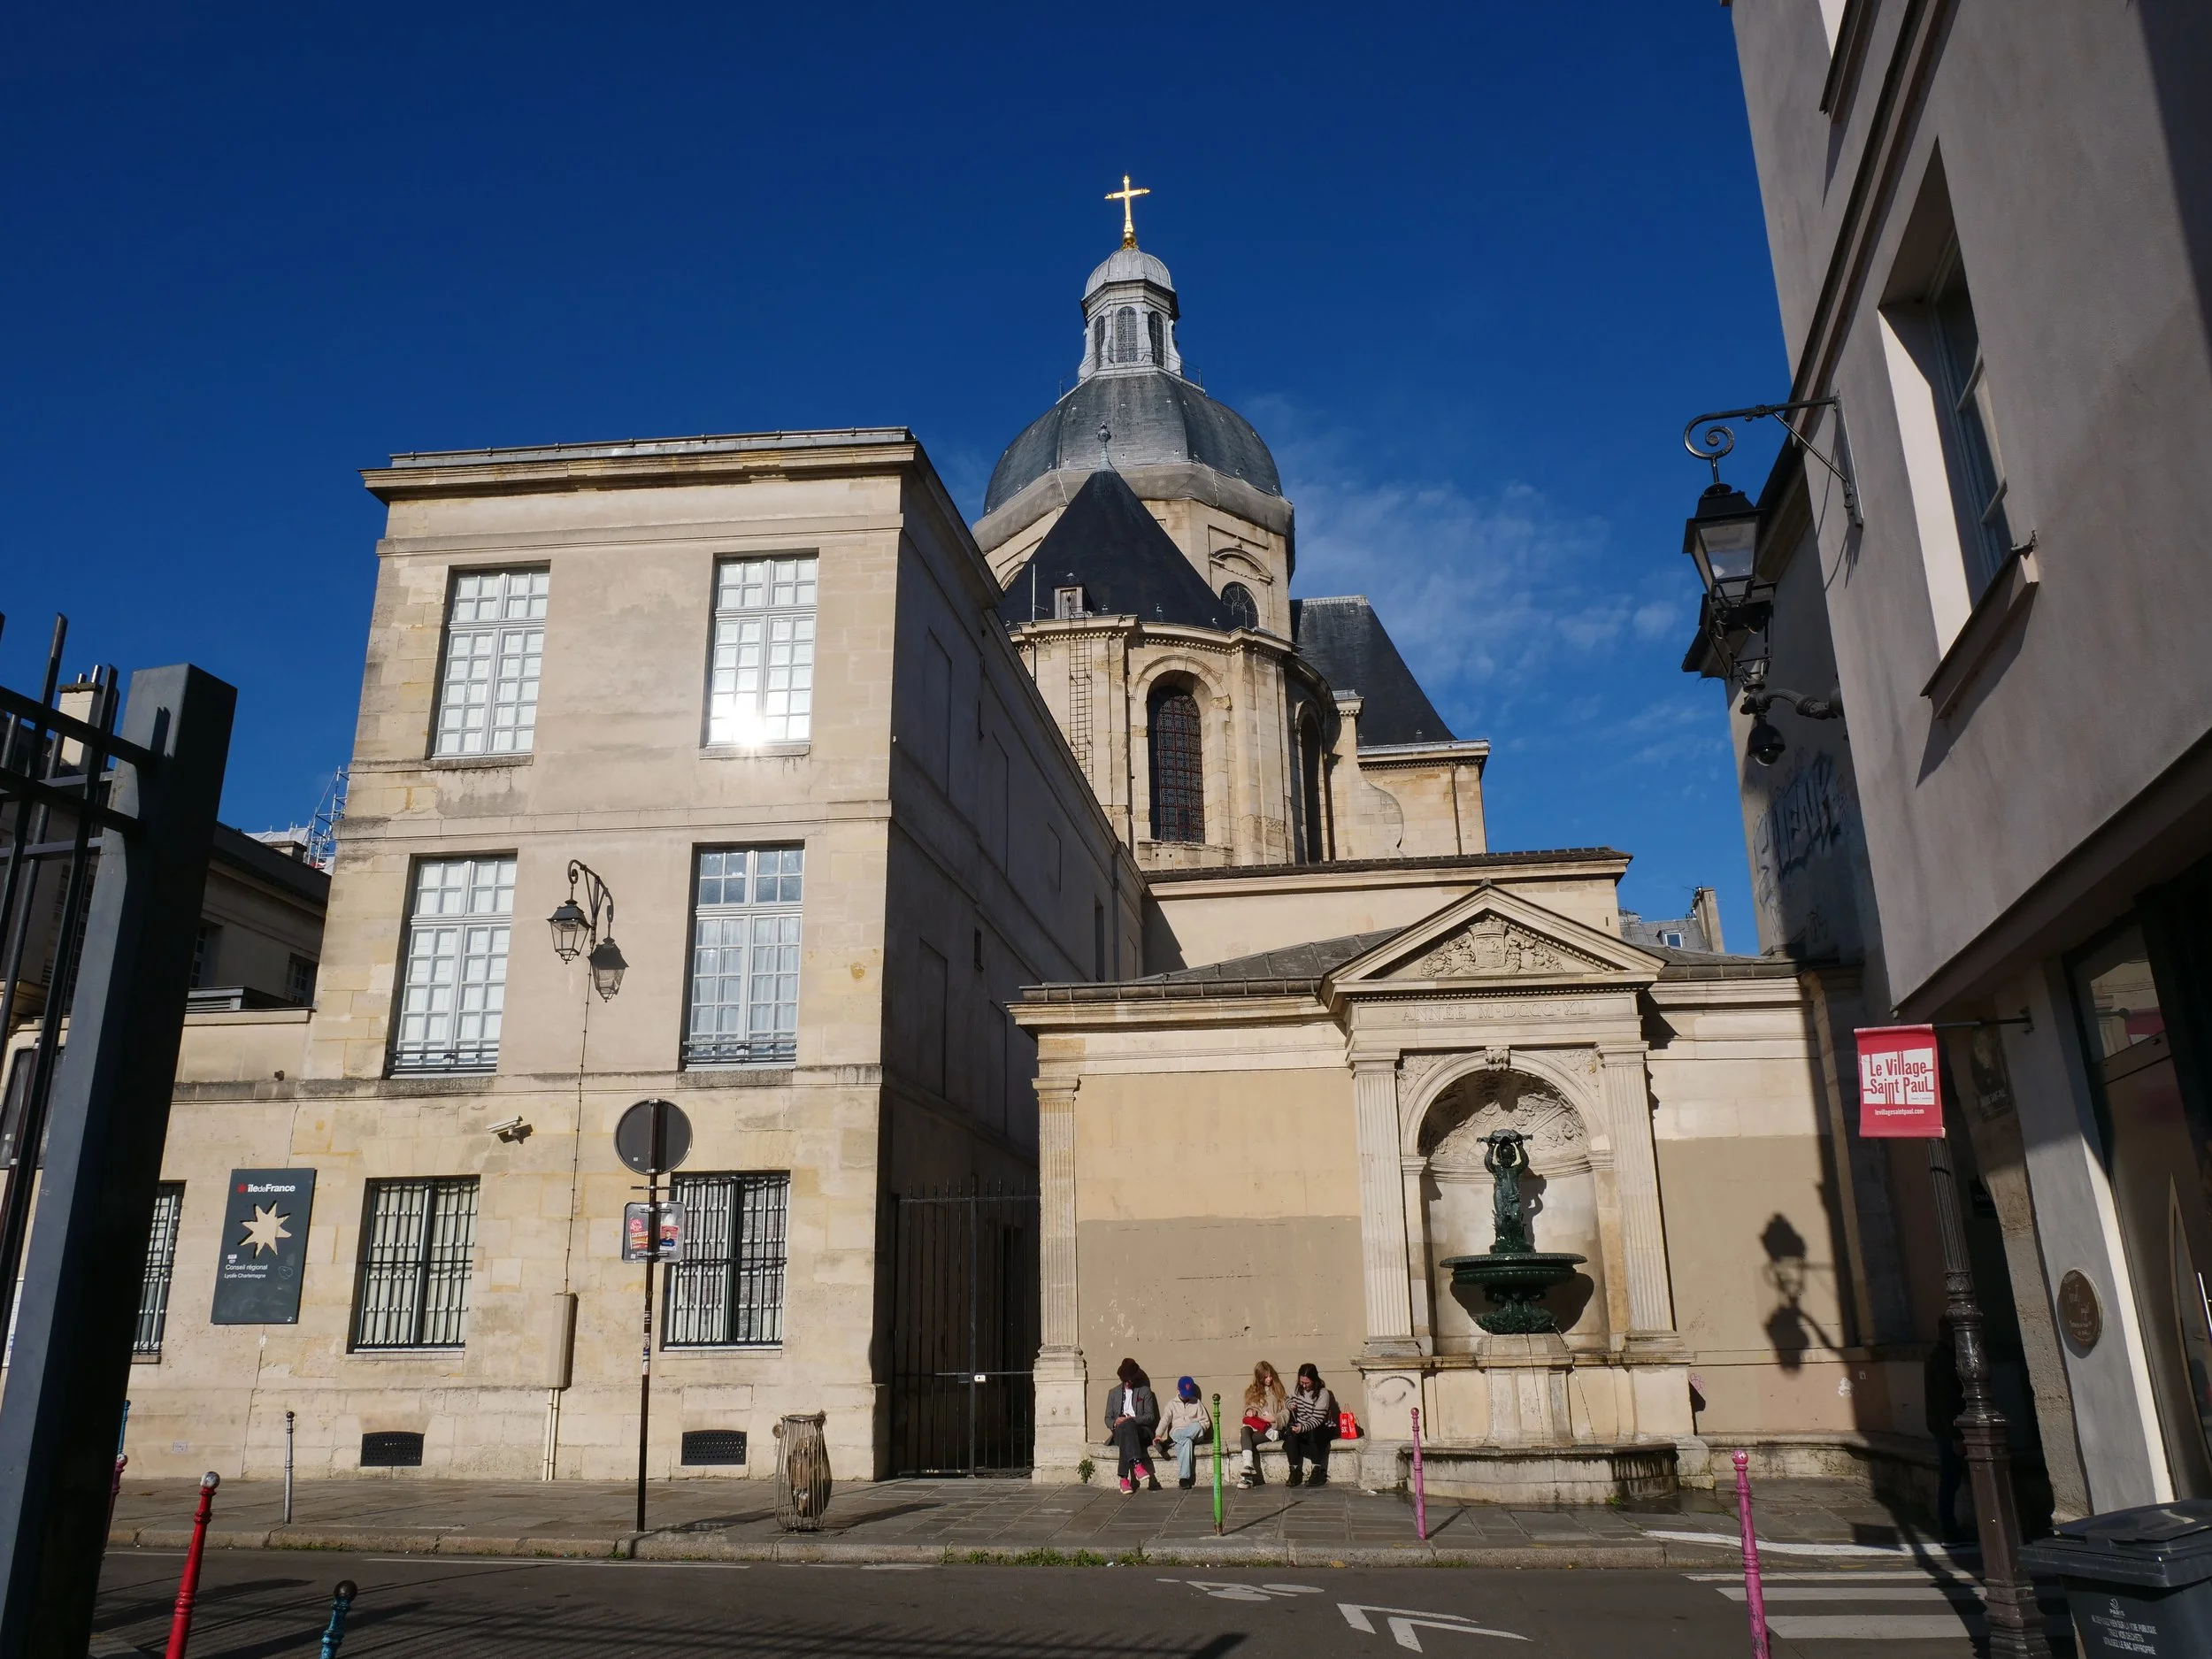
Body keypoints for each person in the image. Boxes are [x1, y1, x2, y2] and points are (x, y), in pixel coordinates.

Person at [1924, 1317, 1970, 1544]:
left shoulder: (1940, 1357)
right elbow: (1948, 1401)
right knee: (1950, 1479)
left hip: (1943, 1428)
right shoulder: (1944, 1360)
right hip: (1948, 1430)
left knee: (1951, 1478)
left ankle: (1954, 1526)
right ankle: (1950, 1530)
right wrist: (1956, 1435)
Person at [1103, 1356, 1159, 1494]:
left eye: (1131, 1380)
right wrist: (1115, 1422)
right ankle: (1137, 1465)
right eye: (1126, 1380)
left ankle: (1123, 1479)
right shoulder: (1113, 1393)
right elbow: (1107, 1418)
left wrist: (1133, 1419)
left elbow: (1150, 1416)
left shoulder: (1145, 1391)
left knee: (1128, 1425)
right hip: (1120, 1431)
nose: (1129, 1383)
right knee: (1125, 1431)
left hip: (1141, 1431)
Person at [1284, 1363, 1337, 1488]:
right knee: (1290, 1434)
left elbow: (1317, 1420)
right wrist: (1289, 1403)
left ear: (1314, 1380)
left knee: (1314, 1432)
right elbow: (1285, 1398)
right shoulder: (1296, 1387)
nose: (1304, 1385)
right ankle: (1294, 1471)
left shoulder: (1323, 1394)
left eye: (1307, 1383)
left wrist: (1302, 1428)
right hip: (1301, 1424)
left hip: (1321, 1427)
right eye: (1302, 1382)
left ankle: (1316, 1470)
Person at [1154, 1376, 1211, 1489]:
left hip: (1195, 1433)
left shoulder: (1197, 1403)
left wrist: (1200, 1427)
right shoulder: (1172, 1404)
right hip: (1179, 1432)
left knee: (1196, 1426)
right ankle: (1184, 1478)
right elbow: (1165, 1420)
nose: (1186, 1396)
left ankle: (1168, 1443)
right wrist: (1158, 1435)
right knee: (1186, 1442)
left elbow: (1205, 1422)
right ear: (1178, 1389)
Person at [1237, 1360, 1288, 1488]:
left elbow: (1287, 1412)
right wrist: (1249, 1411)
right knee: (1245, 1432)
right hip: (1257, 1428)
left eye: (1270, 1376)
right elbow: (1247, 1408)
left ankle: (1247, 1478)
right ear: (1259, 1377)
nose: (1269, 1379)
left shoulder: (1278, 1390)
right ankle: (1248, 1466)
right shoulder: (1251, 1391)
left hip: (1273, 1429)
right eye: (1265, 1377)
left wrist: (1274, 1418)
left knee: (1246, 1439)